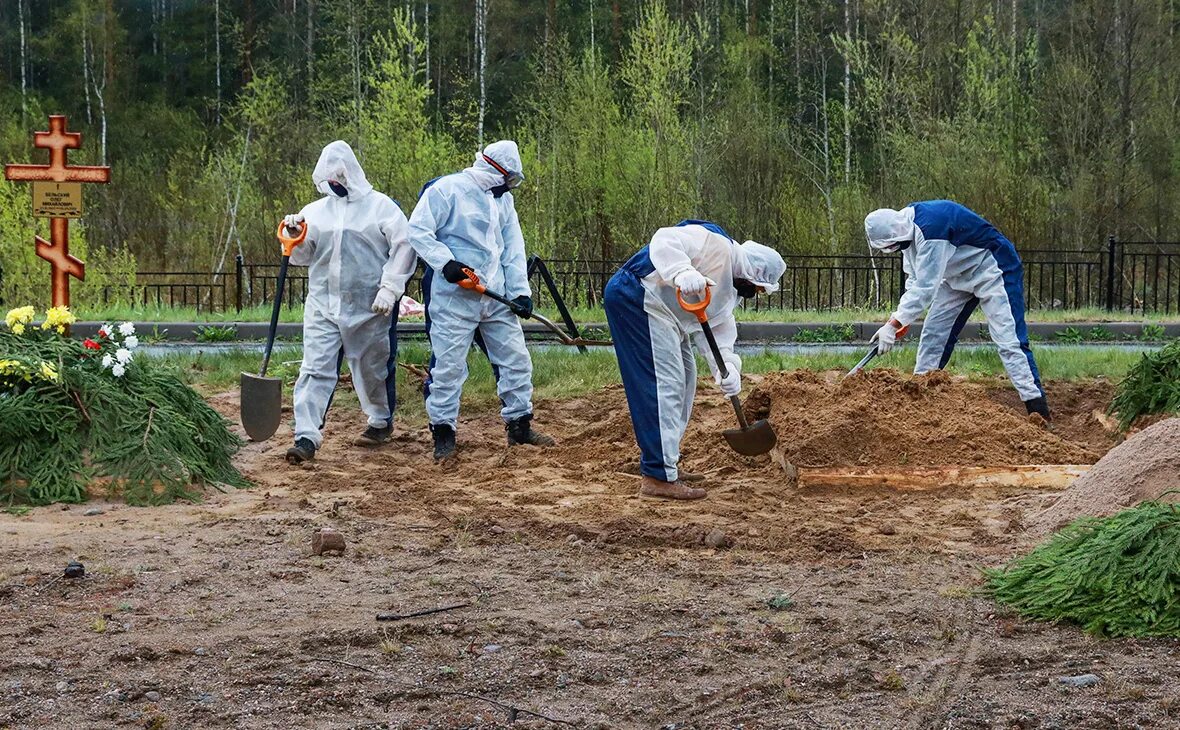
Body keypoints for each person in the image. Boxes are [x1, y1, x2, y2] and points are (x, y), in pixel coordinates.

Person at [603, 221, 786, 500]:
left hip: (667, 316)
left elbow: (718, 329)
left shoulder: (730, 290)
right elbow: (664, 239)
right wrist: (682, 271)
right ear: (754, 274)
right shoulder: (715, 243)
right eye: (758, 289)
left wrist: (727, 367)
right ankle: (657, 476)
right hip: (637, 296)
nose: (755, 294)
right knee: (666, 384)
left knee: (686, 380)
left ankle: (667, 463)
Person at [407, 140, 554, 461]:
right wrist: (445, 262)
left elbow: (513, 247)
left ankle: (520, 425)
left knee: (516, 360)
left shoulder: (504, 202)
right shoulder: (447, 191)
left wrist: (520, 293)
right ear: (495, 171)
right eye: (509, 178)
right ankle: (443, 431)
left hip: (496, 298)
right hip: (453, 300)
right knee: (448, 366)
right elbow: (417, 230)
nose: (510, 185)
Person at [281, 141, 417, 464]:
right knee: (315, 367)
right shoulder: (314, 212)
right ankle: (306, 436)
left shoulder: (381, 208)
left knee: (371, 368)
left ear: (352, 173)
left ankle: (380, 421)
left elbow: (404, 246)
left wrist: (390, 288)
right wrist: (293, 232)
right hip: (323, 306)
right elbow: (300, 256)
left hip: (370, 309)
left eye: (340, 177)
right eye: (330, 179)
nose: (335, 184)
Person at [864, 200, 1049, 420]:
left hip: (992, 268)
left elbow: (925, 289)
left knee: (1008, 340)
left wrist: (893, 324)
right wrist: (899, 320)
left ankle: (1037, 410)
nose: (890, 250)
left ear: (894, 235)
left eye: (889, 246)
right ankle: (921, 401)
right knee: (933, 334)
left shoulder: (931, 230)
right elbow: (915, 279)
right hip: (955, 277)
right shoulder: (907, 234)